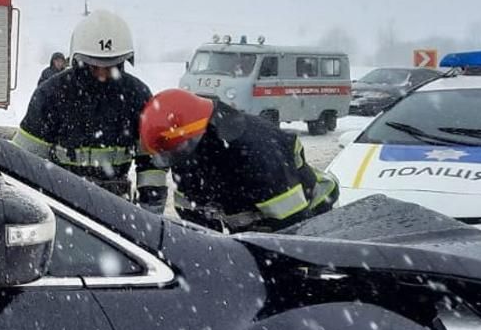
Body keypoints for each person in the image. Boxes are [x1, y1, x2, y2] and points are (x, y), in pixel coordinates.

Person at [13, 10, 167, 211]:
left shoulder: (137, 95)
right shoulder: (52, 94)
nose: (102, 75)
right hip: (62, 204)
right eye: (95, 67)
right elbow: (22, 159)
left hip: (118, 207)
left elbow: (151, 162)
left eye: (110, 66)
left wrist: (151, 209)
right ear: (79, 62)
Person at [140, 88, 338, 233]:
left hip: (313, 213)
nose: (176, 163)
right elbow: (193, 217)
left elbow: (291, 227)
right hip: (258, 227)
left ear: (199, 134)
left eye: (175, 153)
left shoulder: (256, 152)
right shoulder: (187, 154)